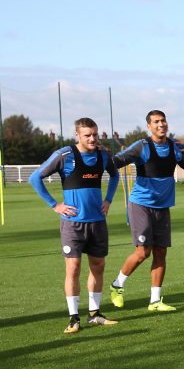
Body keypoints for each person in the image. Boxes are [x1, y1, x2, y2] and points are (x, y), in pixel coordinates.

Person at [109, 110, 184, 311]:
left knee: (161, 253)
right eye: (156, 122)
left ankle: (155, 301)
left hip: (163, 206)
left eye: (163, 120)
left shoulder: (173, 147)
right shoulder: (142, 146)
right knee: (143, 252)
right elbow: (116, 161)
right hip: (141, 204)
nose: (161, 124)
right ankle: (117, 286)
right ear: (149, 126)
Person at [29, 117, 120, 333]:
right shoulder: (64, 155)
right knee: (74, 268)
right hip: (72, 224)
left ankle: (94, 314)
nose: (92, 139)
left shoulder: (103, 155)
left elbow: (115, 176)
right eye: (87, 135)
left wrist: (108, 200)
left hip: (97, 222)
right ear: (77, 135)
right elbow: (35, 178)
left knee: (98, 266)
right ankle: (73, 318)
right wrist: (55, 205)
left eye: (95, 135)